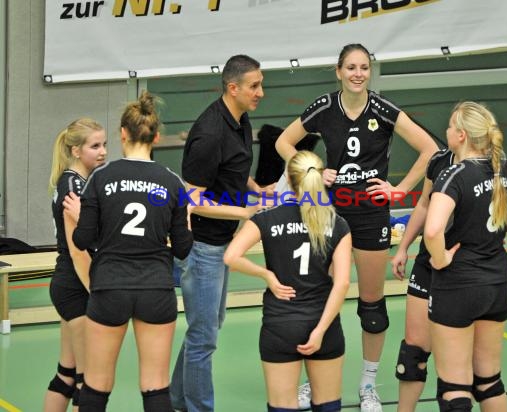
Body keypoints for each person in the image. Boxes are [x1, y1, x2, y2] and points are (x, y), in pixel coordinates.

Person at [275, 43, 438, 411]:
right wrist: (313, 168)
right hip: (329, 213)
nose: (358, 73)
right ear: (338, 71)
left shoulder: (383, 108)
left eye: (364, 67)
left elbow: (429, 149)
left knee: (372, 306)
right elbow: (284, 142)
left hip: (370, 215)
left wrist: (400, 191)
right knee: (318, 300)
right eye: (351, 67)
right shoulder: (324, 107)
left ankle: (368, 385)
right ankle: (313, 382)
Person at [71, 91, 194, 411]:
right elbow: (182, 249)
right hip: (156, 286)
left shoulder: (100, 177)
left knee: (96, 387)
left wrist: (81, 220)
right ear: (155, 136)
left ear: (122, 134)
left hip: (109, 285)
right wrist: (187, 221)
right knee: (155, 388)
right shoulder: (172, 182)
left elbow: (82, 239)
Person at [423, 101, 507, 411]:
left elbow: (433, 229)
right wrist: (501, 229)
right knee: (489, 380)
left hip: (459, 284)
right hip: (497, 282)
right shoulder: (503, 167)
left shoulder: (455, 174)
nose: (447, 131)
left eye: (451, 127)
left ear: (461, 135)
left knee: (454, 386)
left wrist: (439, 260)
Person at [170, 54, 271, 412]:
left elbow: (233, 169)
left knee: (209, 326)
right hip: (202, 245)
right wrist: (246, 211)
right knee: (204, 336)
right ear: (233, 88)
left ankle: (177, 400)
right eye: (254, 86)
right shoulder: (210, 133)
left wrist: (259, 190)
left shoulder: (240, 119)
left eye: (260, 84)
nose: (261, 92)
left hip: (222, 240)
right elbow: (192, 200)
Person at [224, 150, 352, 412]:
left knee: (282, 407)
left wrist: (266, 275)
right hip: (322, 324)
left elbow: (231, 256)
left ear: (288, 180)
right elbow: (342, 284)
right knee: (328, 405)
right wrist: (319, 331)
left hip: (280, 325)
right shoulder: (337, 224)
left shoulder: (266, 218)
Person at [45, 118, 107, 412]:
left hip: (68, 284)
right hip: (76, 286)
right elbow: (78, 250)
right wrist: (97, 293)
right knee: (87, 381)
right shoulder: (73, 187)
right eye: (95, 146)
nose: (103, 151)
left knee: (66, 374)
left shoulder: (78, 182)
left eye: (104, 144)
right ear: (75, 150)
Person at [391, 148, 453, 412]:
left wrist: (501, 229)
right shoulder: (439, 161)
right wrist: (404, 247)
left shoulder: (491, 165)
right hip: (428, 263)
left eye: (452, 126)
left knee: (455, 360)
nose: (447, 130)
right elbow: (424, 205)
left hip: (464, 267)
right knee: (413, 352)